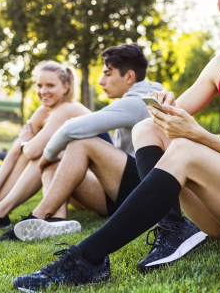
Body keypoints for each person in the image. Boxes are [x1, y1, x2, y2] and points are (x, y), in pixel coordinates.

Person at [12, 0, 220, 291]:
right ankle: (173, 228)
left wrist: (198, 134)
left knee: (186, 149)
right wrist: (165, 103)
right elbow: (170, 117)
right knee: (147, 127)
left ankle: (86, 259)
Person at [11, 44, 163, 242]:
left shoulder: (138, 102)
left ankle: (37, 215)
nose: (101, 81)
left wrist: (44, 158)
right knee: (55, 163)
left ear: (129, 77)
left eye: (108, 74)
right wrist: (50, 159)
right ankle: (55, 220)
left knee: (82, 143)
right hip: (120, 193)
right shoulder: (140, 98)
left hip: (143, 191)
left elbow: (70, 128)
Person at [0, 61, 100, 239]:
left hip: (98, 190)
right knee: (30, 152)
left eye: (50, 85)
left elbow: (33, 151)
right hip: (74, 187)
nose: (43, 91)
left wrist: (27, 141)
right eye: (40, 85)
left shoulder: (68, 108)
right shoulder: (44, 111)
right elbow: (14, 153)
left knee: (43, 154)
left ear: (65, 87)